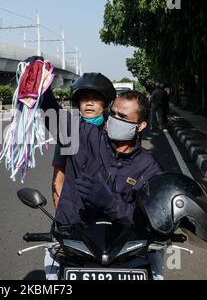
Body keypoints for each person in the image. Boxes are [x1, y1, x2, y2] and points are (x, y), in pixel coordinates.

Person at [41, 76, 164, 280]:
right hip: (74, 244)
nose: (114, 120)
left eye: (122, 117)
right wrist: (42, 89)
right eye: (113, 114)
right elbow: (56, 119)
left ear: (140, 126)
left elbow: (151, 219)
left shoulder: (149, 167)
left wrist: (111, 203)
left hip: (126, 254)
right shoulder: (87, 136)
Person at [51, 73, 116, 208]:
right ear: (78, 104)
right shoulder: (69, 134)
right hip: (76, 212)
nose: (89, 103)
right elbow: (59, 178)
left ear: (106, 105)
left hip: (112, 210)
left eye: (96, 98)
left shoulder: (115, 136)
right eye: (85, 98)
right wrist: (61, 214)